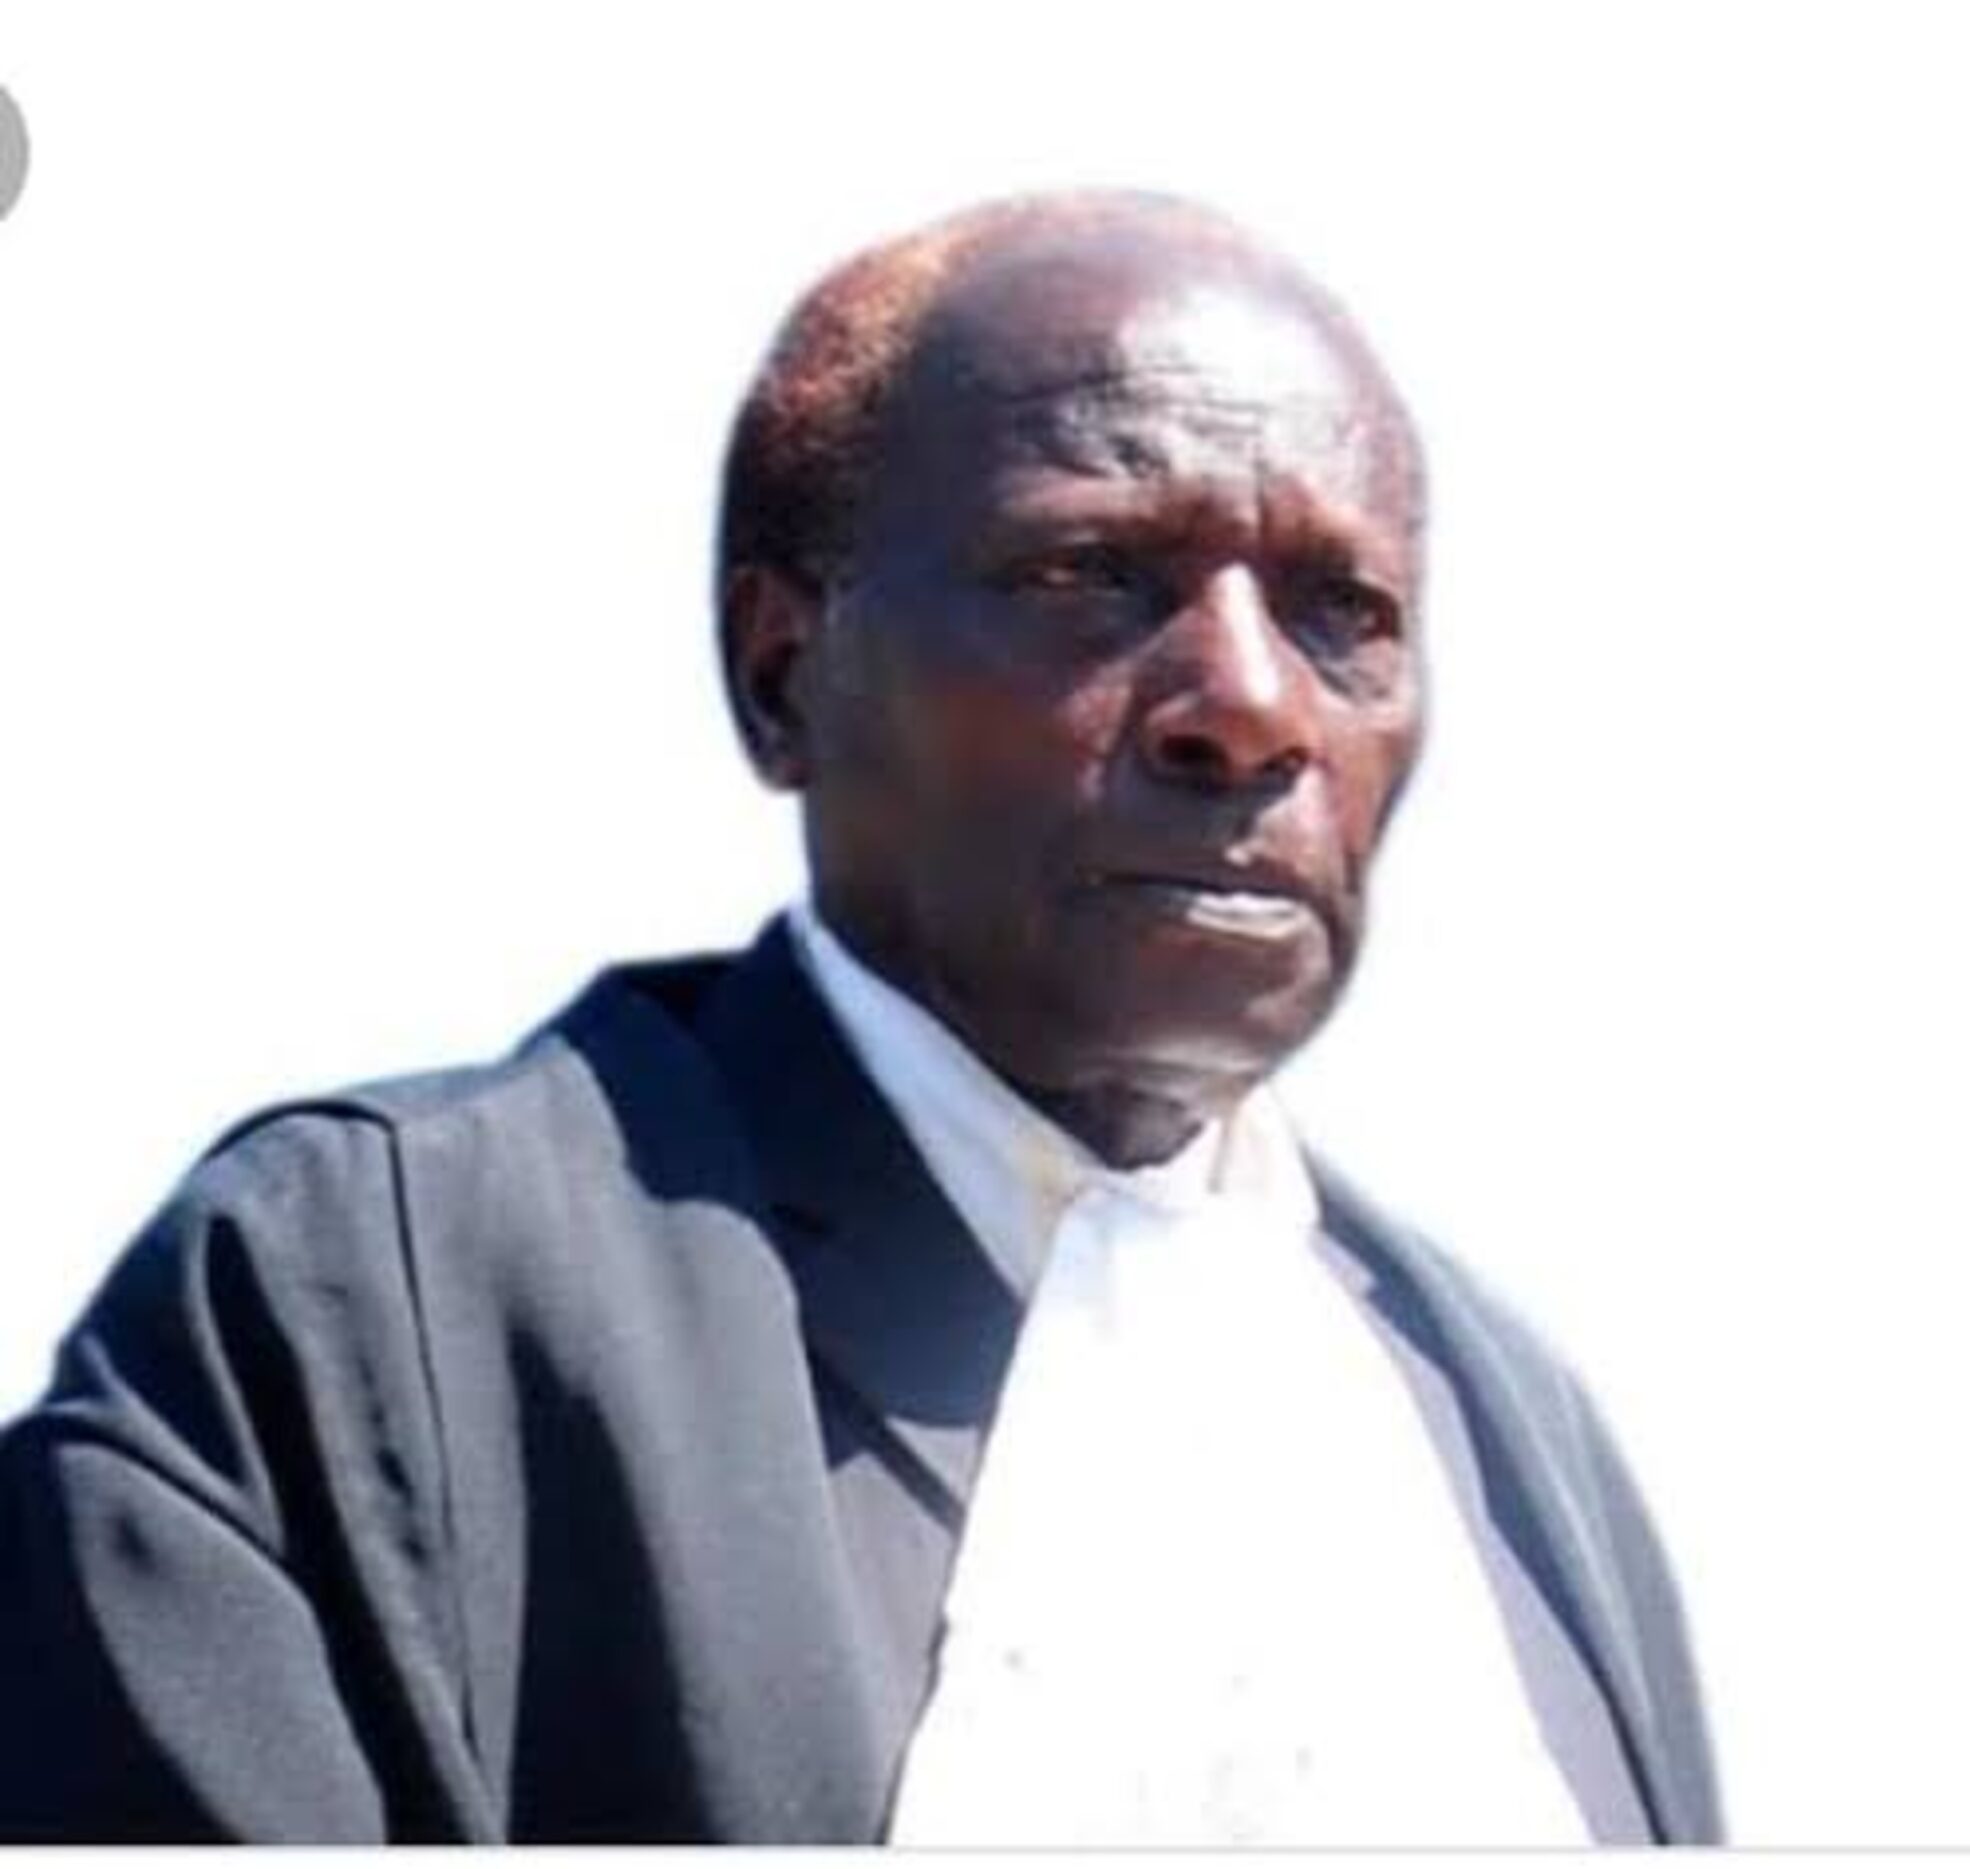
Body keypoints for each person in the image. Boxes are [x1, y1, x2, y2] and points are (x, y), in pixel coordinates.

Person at [0, 191, 1720, 1845]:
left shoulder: (1496, 1426)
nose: (1252, 704)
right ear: (781, 672)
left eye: (1344, 613)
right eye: (1091, 573)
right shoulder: (363, 1301)